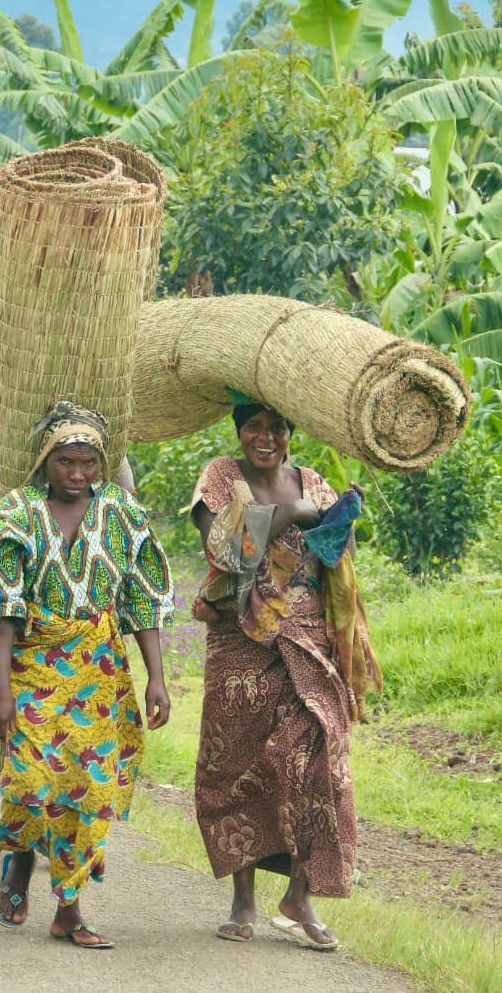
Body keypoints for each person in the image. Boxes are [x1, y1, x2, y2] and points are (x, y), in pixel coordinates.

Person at [0, 401, 174, 950]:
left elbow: (143, 602)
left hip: (99, 669)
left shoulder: (122, 515)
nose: (79, 474)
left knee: (87, 789)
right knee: (36, 780)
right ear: (46, 459)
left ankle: (69, 909)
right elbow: (0, 607)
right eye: (67, 462)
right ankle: (18, 862)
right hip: (33, 665)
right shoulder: (16, 514)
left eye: (88, 463)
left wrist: (157, 679)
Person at [188, 398, 381, 952]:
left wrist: (339, 517)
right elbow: (223, 550)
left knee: (318, 759)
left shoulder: (313, 481)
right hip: (240, 645)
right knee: (239, 762)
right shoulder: (222, 477)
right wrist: (292, 515)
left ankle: (300, 896)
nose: (265, 437)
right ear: (239, 432)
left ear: (291, 434)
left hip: (308, 641)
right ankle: (243, 899)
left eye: (276, 428)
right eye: (254, 427)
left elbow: (332, 560)